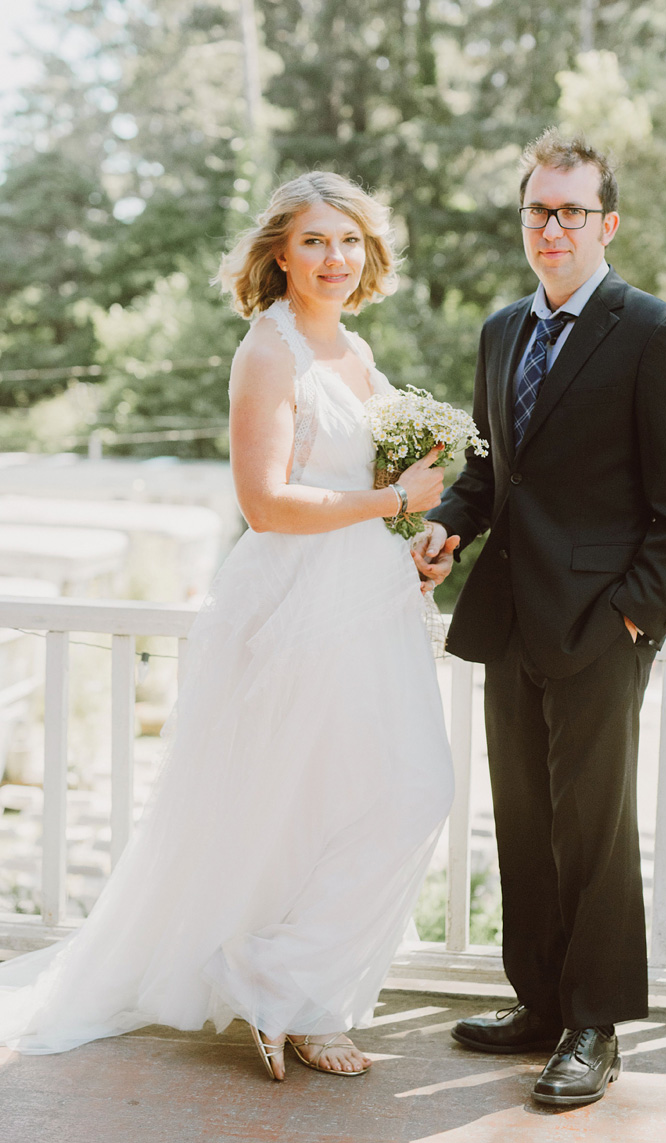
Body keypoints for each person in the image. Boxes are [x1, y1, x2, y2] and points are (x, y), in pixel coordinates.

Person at [0, 171, 454, 1082]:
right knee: (312, 796)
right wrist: (392, 496)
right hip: (296, 604)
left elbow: (364, 495)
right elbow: (267, 502)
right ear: (280, 253)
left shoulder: (357, 352)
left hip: (372, 595)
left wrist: (412, 535)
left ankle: (278, 976)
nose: (335, 257)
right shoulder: (268, 350)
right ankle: (297, 998)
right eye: (317, 240)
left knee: (409, 792)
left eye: (350, 240)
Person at [411, 130, 666, 1108]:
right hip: (510, 618)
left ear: (606, 223)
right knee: (526, 823)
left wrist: (633, 622)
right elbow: (489, 468)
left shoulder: (656, 332)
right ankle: (538, 1005)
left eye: (570, 211)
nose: (551, 227)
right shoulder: (501, 330)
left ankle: (594, 1026)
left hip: (600, 626)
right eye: (537, 210)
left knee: (594, 830)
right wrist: (449, 528)